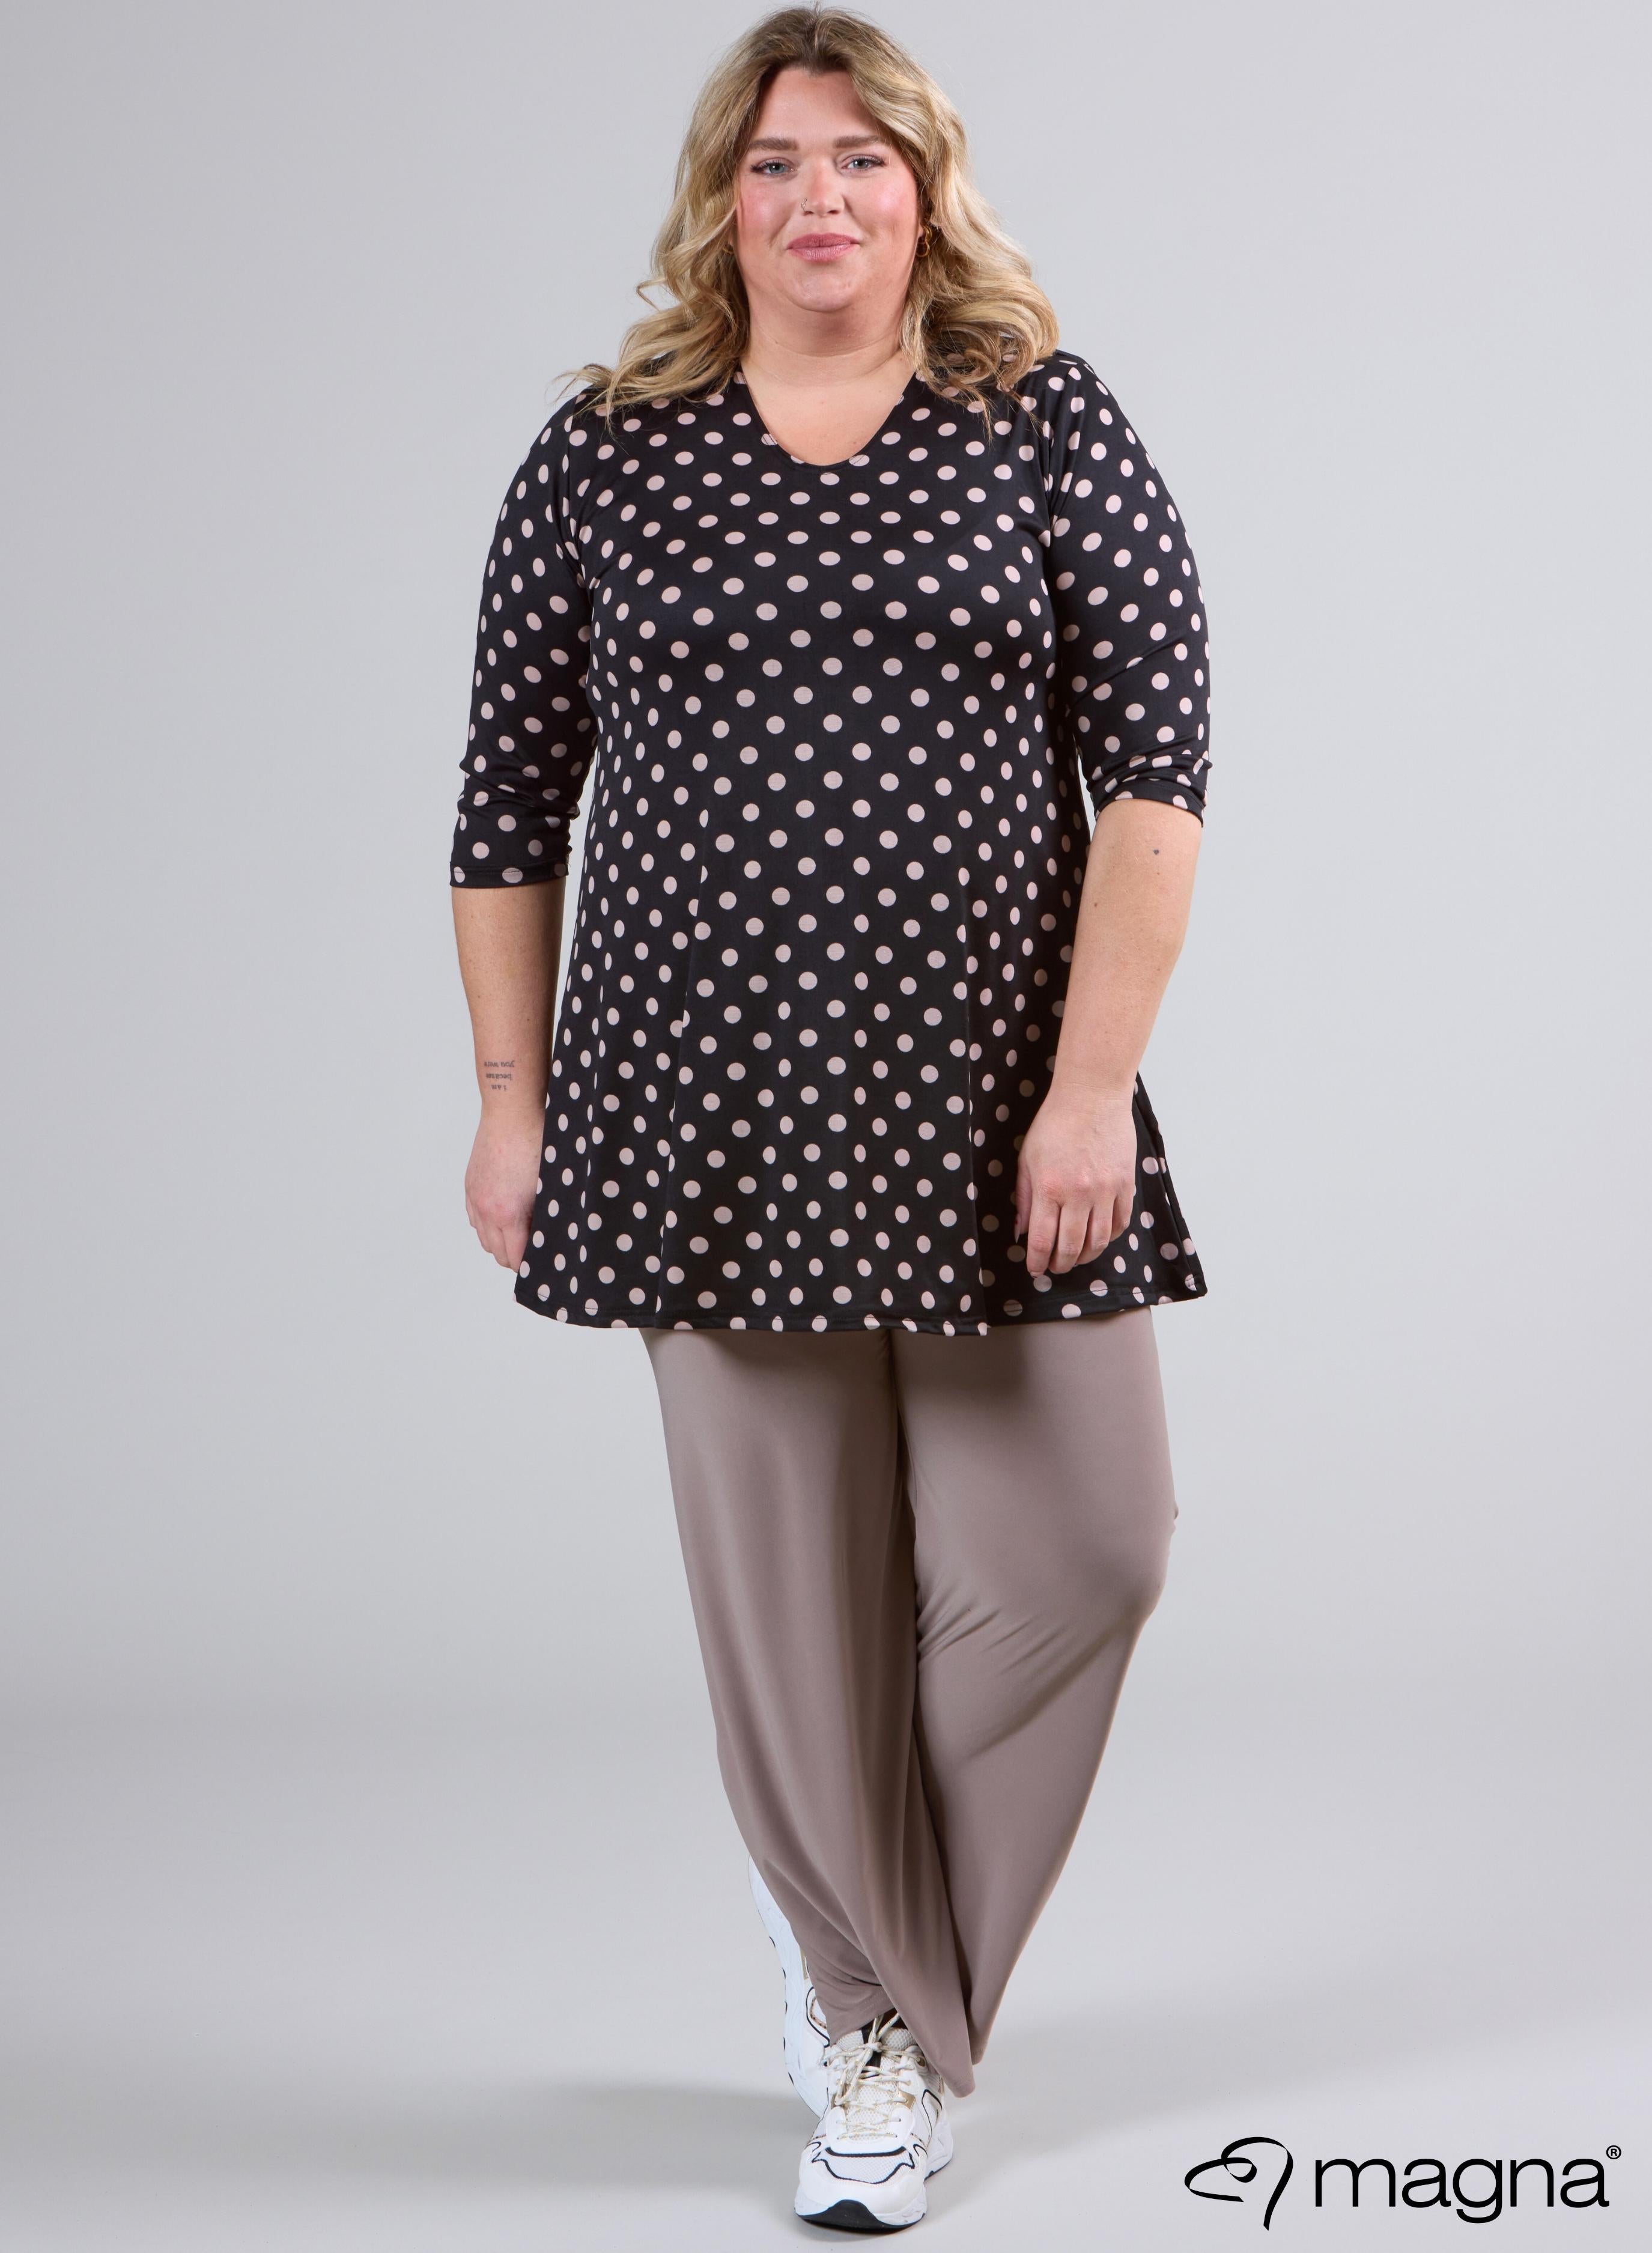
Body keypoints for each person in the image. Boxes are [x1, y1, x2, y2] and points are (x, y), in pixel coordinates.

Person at [450, 7, 1210, 2232]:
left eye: (861, 160)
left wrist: (1092, 1090)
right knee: (798, 1610)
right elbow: (505, 809)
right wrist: (511, 1104)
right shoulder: (607, 453)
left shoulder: (1042, 421)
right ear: (723, 200)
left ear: (926, 190)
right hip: (699, 1104)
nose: (819, 200)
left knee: (1091, 1546)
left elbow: (1159, 781)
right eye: (776, 163)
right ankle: (868, 2020)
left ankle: (892, 1974)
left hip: (994, 1102)